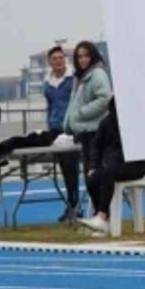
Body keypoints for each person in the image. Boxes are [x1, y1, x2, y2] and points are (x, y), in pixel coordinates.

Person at [0, 45, 82, 222]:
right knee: (63, 168)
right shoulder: (48, 83)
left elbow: (77, 102)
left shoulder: (73, 79)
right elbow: (50, 106)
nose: (58, 61)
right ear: (50, 62)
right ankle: (72, 206)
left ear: (65, 60)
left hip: (71, 129)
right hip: (55, 129)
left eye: (61, 58)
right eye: (54, 59)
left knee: (71, 168)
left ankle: (75, 206)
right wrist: (50, 123)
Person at [77, 98, 145, 235]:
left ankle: (102, 216)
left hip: (136, 166)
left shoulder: (138, 122)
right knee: (92, 179)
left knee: (108, 172)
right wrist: (93, 165)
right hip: (113, 164)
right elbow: (96, 146)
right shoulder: (107, 122)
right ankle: (104, 222)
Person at [63, 41, 112, 212]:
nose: (83, 59)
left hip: (95, 132)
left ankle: (103, 215)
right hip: (85, 131)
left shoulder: (97, 74)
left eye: (86, 56)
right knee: (90, 178)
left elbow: (105, 98)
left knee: (94, 177)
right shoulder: (81, 77)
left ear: (92, 56)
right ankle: (100, 215)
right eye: (79, 56)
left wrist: (81, 113)